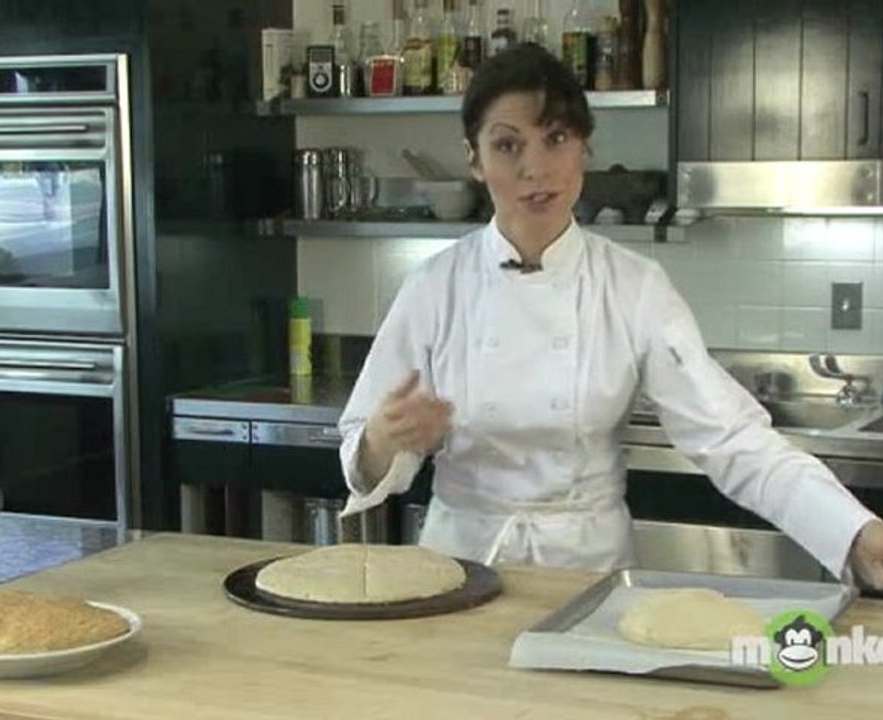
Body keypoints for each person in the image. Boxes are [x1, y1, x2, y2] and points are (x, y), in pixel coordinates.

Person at [337, 43, 883, 588]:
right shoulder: (434, 287)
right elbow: (363, 453)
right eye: (507, 145)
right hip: (460, 572)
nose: (535, 168)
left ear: (585, 149)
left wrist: (854, 532)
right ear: (474, 160)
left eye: (556, 139)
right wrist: (384, 441)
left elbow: (734, 439)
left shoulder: (634, 287)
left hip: (588, 575)